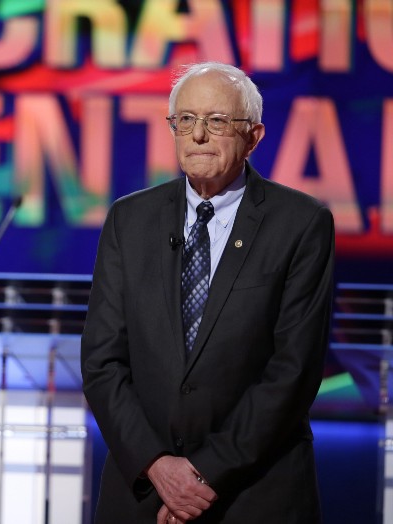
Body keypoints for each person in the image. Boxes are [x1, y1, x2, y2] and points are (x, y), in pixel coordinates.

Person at [81, 62, 334, 523]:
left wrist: (202, 476)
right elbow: (102, 362)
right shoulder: (129, 220)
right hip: (144, 491)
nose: (197, 135)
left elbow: (293, 371)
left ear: (254, 137)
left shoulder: (300, 224)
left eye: (216, 121)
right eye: (185, 120)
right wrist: (159, 468)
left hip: (254, 493)